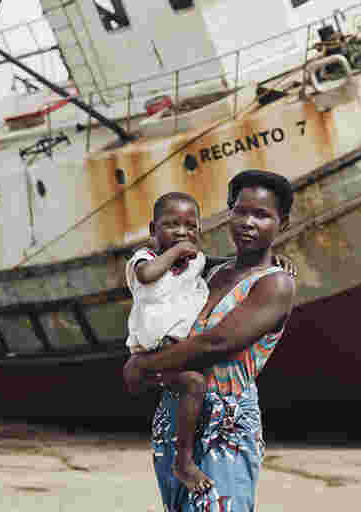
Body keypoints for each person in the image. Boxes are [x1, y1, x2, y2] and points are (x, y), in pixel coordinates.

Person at [123, 169, 298, 511]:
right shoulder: (211, 273)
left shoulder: (275, 284)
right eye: (240, 212)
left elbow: (215, 343)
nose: (248, 222)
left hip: (225, 423)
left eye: (262, 215)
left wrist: (141, 366)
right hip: (177, 414)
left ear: (283, 223)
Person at [125, 191, 213, 493]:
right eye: (171, 225)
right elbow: (148, 276)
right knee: (194, 384)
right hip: (153, 350)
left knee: (196, 383)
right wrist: (176, 252)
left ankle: (185, 456)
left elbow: (225, 265)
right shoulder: (144, 258)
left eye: (190, 226)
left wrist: (265, 262)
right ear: (153, 230)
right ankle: (183, 462)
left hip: (178, 351)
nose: (182, 232)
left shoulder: (196, 262)